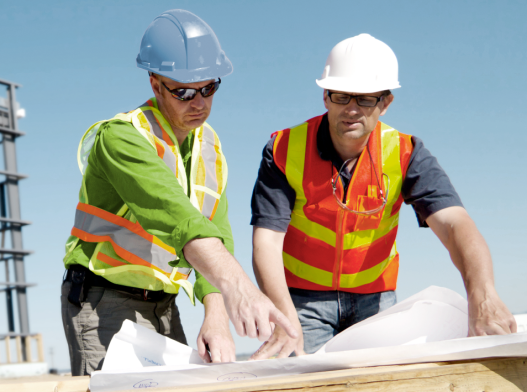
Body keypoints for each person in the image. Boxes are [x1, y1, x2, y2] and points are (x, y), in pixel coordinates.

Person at [250, 33, 517, 358]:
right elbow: (266, 241)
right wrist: (282, 314)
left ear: (385, 103)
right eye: (341, 96)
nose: (351, 109)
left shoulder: (407, 153)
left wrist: (483, 294)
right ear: (325, 96)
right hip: (301, 301)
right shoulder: (282, 149)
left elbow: (454, 224)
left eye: (364, 99)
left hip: (375, 300)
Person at [61, 9, 296, 376]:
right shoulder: (122, 138)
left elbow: (215, 230)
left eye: (208, 88)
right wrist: (240, 288)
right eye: (184, 91)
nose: (199, 102)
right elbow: (180, 220)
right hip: (103, 299)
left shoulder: (209, 145)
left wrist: (215, 313)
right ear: (155, 85)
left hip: (164, 304)